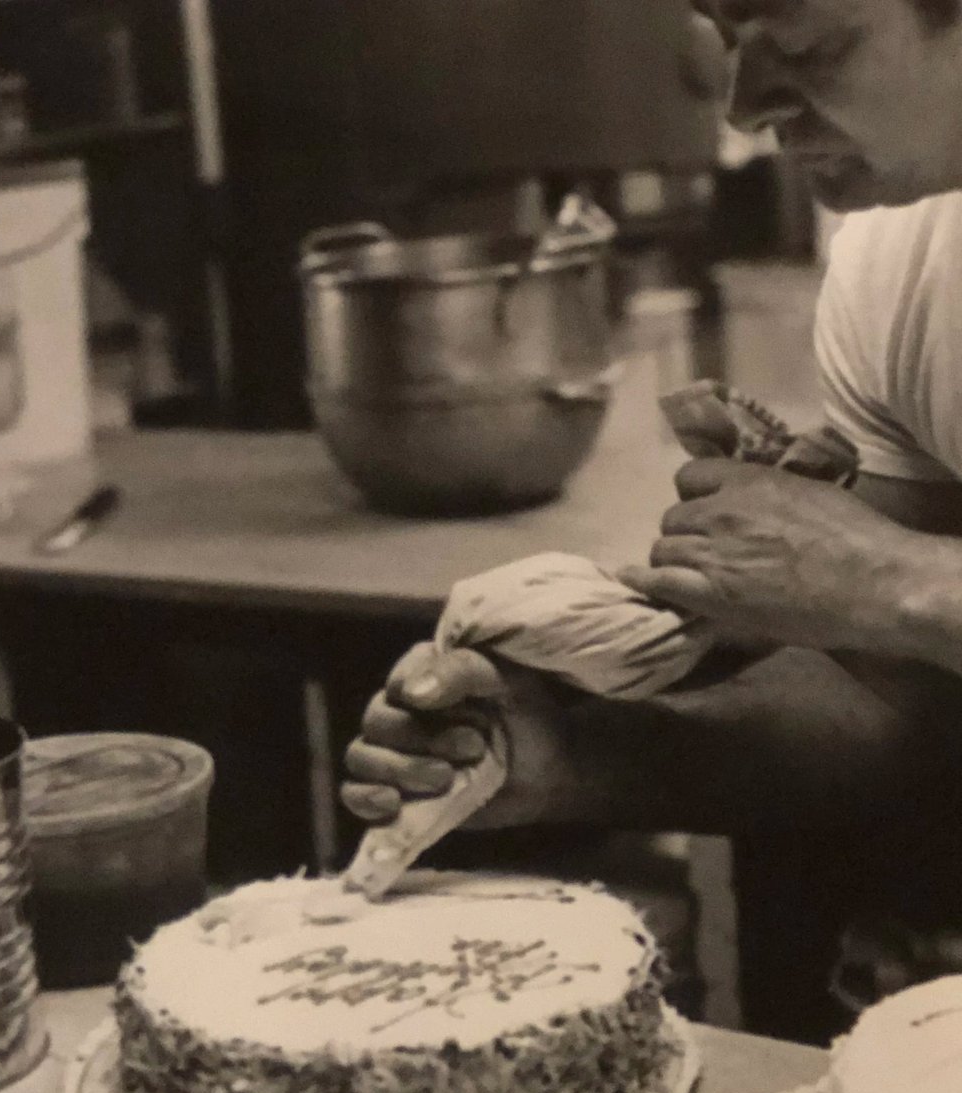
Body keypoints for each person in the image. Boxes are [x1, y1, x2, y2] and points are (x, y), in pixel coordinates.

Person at [341, 0, 962, 1034]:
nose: (744, 103)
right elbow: (903, 707)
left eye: (807, 44)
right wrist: (582, 759)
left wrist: (891, 579)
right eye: (725, 33)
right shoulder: (903, 255)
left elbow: (902, 612)